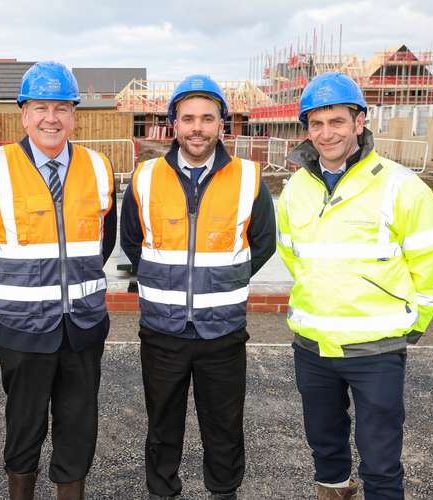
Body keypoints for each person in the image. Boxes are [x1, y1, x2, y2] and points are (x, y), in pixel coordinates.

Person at [277, 72, 433, 500]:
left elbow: (432, 264)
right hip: (313, 349)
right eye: (316, 124)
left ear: (360, 122)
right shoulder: (296, 187)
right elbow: (292, 255)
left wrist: (414, 323)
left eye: (337, 121)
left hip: (376, 351)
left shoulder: (400, 185)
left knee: (380, 459)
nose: (326, 133)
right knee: (326, 450)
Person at [0, 61, 116, 500]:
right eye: (41, 107)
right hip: (22, 329)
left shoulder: (98, 166)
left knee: (78, 427)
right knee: (24, 427)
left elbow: (101, 244)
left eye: (62, 108)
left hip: (83, 326)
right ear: (24, 113)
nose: (52, 118)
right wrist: (24, 289)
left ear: (74, 115)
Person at [120, 74, 276, 499]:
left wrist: (225, 280)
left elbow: (262, 243)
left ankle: (223, 492)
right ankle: (162, 492)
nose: (197, 128)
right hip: (162, 331)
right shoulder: (145, 177)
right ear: (173, 123)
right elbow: (133, 242)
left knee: (224, 429)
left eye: (207, 118)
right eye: (188, 118)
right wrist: (165, 282)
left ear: (221, 124)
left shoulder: (248, 178)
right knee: (162, 427)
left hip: (222, 332)